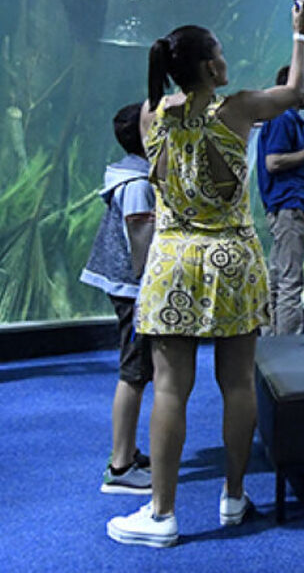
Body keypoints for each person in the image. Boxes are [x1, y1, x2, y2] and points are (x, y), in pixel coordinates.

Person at [106, 0, 304, 548]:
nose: (226, 59)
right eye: (220, 51)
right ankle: (231, 496)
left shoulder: (154, 115)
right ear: (212, 66)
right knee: (237, 381)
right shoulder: (240, 108)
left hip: (174, 259)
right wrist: (300, 31)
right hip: (232, 258)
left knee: (171, 388)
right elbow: (297, 93)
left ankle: (162, 513)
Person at [80, 103, 156, 495]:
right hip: (136, 291)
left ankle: (128, 450)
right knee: (134, 372)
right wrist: (151, 292)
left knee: (137, 371)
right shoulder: (138, 184)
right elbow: (140, 243)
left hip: (126, 288)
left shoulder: (128, 174)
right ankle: (120, 465)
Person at [256, 65, 304, 335]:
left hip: (282, 205)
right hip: (288, 206)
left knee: (276, 278)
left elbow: (288, 165)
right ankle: (289, 350)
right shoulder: (284, 117)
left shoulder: (282, 119)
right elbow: (274, 162)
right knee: (290, 281)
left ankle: (268, 341)